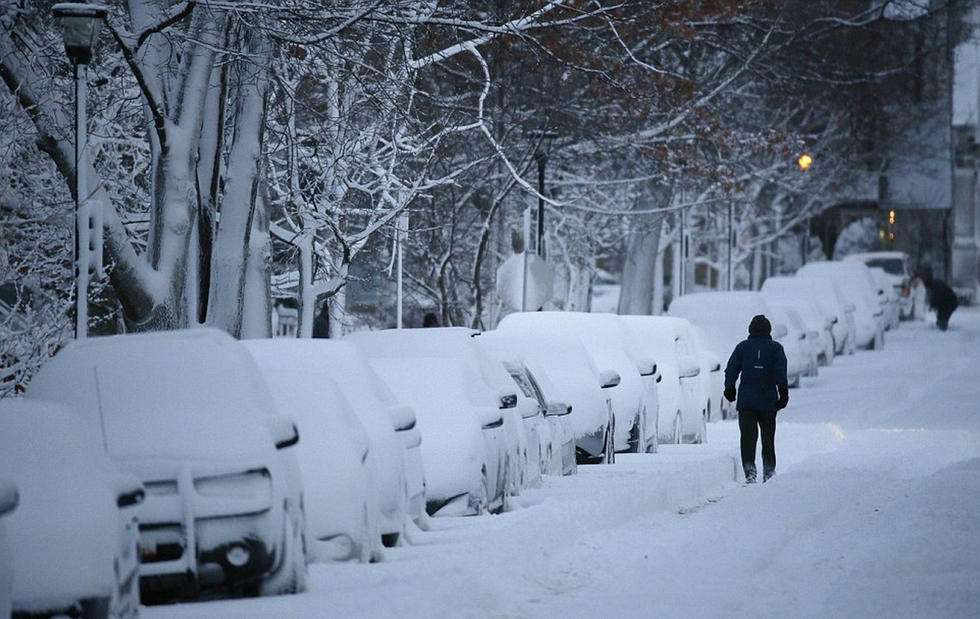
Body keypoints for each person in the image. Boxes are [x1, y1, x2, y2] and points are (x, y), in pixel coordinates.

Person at [724, 314, 789, 484]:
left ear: (750, 330)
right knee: (768, 437)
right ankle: (769, 469)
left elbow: (731, 369)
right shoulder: (776, 349)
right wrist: (783, 394)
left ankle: (749, 470)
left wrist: (729, 388)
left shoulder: (743, 348)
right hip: (768, 401)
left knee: (748, 437)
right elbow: (780, 373)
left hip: (747, 402)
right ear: (769, 330)